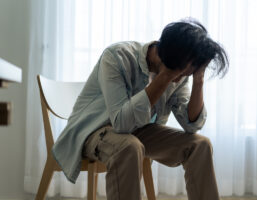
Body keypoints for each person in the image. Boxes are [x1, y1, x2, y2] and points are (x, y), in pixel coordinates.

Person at [51, 18, 228, 200]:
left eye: (186, 74)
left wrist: (198, 80)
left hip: (138, 130)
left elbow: (191, 125)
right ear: (168, 57)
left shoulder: (181, 73)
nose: (179, 79)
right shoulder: (117, 57)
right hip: (92, 129)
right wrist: (165, 76)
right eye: (181, 73)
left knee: (200, 145)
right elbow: (121, 123)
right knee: (128, 146)